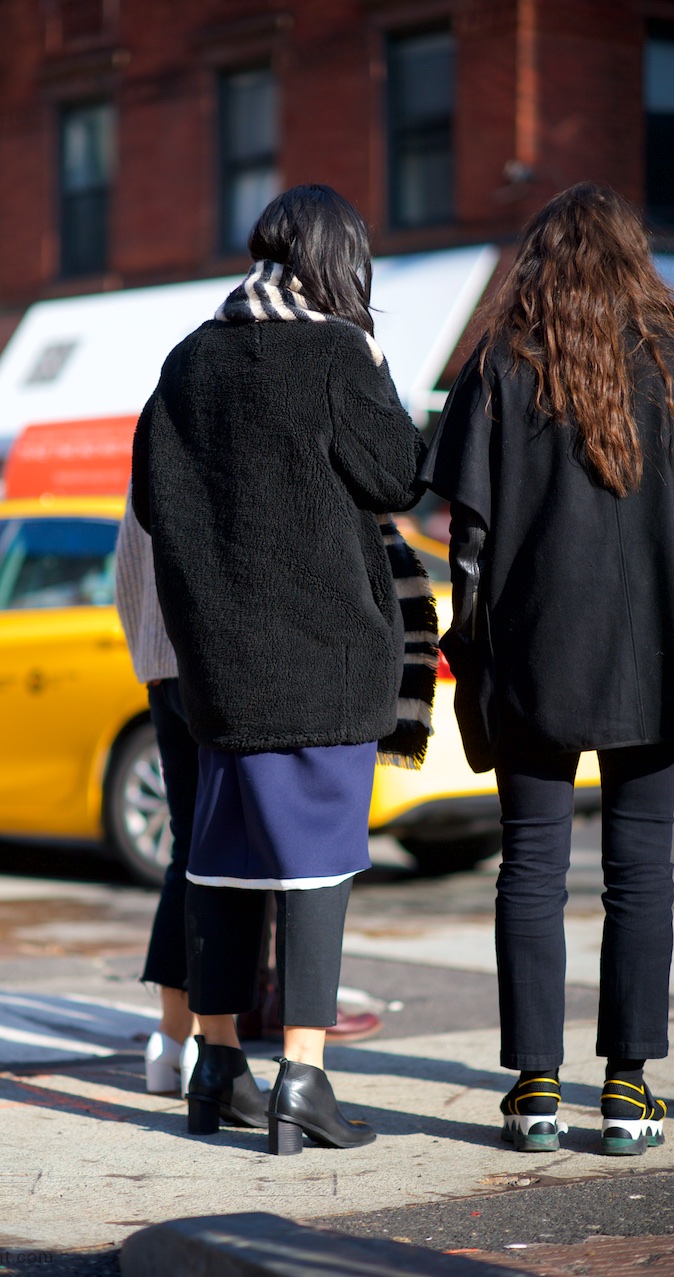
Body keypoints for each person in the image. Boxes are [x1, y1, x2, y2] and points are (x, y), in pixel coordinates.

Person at [132, 183, 431, 1155]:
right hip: (323, 664)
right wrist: (375, 366)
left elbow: (150, 501)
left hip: (218, 672)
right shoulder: (338, 353)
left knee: (215, 868)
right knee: (316, 876)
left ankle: (218, 1064)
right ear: (338, 262)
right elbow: (398, 477)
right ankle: (302, 1074)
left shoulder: (187, 362)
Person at [420, 182, 673, 1156]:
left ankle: (531, 1086)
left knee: (528, 865)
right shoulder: (666, 357)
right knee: (641, 870)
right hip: (655, 651)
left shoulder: (498, 365)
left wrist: (474, 645)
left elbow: (468, 538)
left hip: (532, 651)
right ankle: (626, 1089)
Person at [114, 493, 200, 1095]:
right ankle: (212, 1043)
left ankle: (172, 1040)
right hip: (212, 665)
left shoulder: (156, 421)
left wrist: (147, 652)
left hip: (163, 666)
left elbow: (125, 566)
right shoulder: (216, 412)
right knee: (228, 857)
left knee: (189, 849)